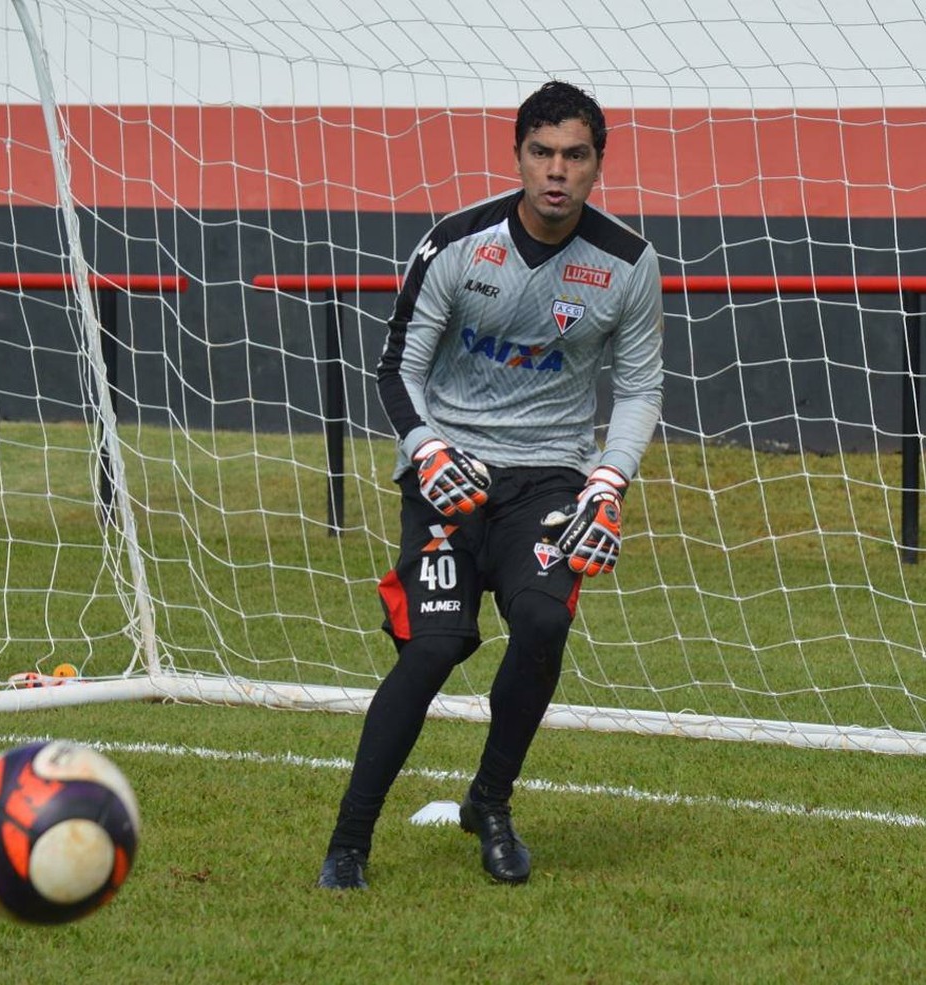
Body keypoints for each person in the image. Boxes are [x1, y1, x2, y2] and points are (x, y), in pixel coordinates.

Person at [317, 80, 664, 890]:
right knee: (435, 646)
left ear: (596, 164)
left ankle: (491, 802)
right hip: (448, 474)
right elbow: (396, 366)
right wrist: (426, 448)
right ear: (517, 157)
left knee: (542, 619)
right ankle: (348, 844)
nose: (556, 171)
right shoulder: (456, 244)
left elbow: (641, 387)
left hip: (548, 474)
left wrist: (607, 483)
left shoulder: (627, 264)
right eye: (541, 152)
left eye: (575, 155)